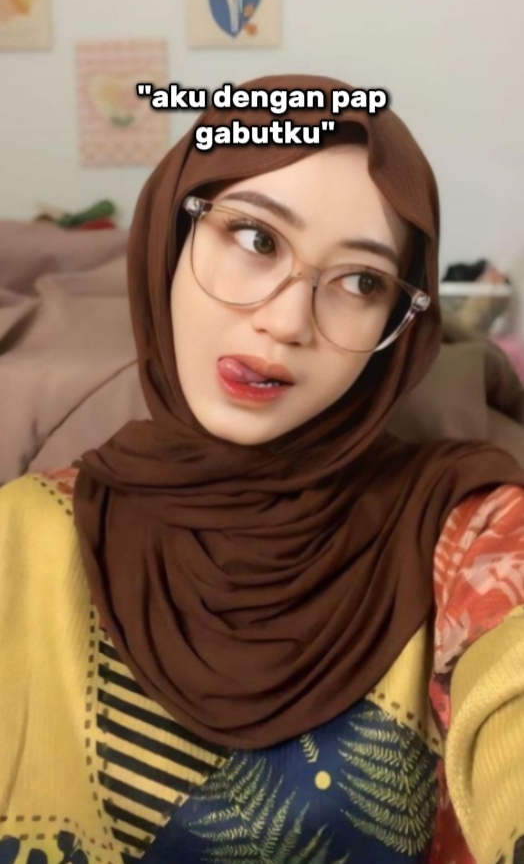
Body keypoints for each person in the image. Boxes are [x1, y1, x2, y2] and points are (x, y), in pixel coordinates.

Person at [1, 74, 524, 864]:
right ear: (172, 236)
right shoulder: (24, 534)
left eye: (361, 281)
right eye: (256, 238)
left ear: (398, 322)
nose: (285, 322)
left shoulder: (465, 527)